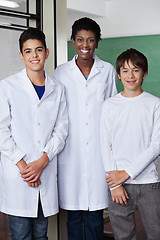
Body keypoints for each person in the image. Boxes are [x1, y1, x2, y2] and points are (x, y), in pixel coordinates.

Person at [0, 27, 68, 240]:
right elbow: (2, 130)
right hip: (19, 174)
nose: (34, 55)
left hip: (44, 170)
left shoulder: (57, 88)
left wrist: (42, 162)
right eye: (28, 51)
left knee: (41, 234)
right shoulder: (7, 87)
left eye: (38, 50)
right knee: (21, 235)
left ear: (47, 52)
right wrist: (25, 168)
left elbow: (61, 129)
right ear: (21, 55)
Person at [53, 17, 117, 240]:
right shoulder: (60, 73)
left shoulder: (107, 71)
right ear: (73, 42)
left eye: (90, 40)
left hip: (99, 153)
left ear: (97, 42)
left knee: (95, 215)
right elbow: (57, 113)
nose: (85, 45)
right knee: (74, 215)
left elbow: (112, 111)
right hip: (71, 151)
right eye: (80, 39)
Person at [100, 48, 160, 240]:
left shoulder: (155, 104)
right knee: (123, 236)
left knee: (156, 233)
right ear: (118, 75)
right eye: (125, 71)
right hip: (118, 185)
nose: (130, 75)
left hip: (149, 184)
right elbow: (105, 145)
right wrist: (113, 185)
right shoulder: (109, 105)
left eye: (136, 69)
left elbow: (156, 145)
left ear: (144, 73)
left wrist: (127, 173)